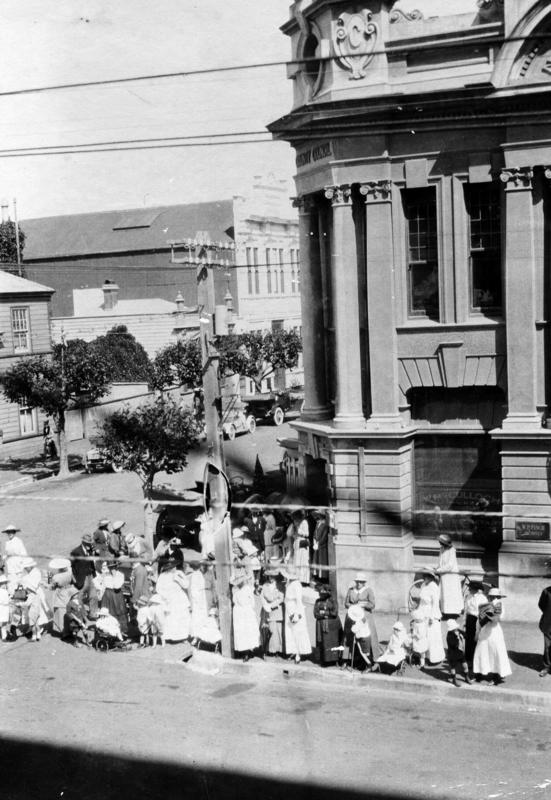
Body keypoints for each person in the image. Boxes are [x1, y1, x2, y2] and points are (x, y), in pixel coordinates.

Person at [473, 587, 512, 685]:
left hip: (495, 631)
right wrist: (477, 632)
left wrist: (494, 616)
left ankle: (496, 677)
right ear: (489, 597)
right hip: (485, 630)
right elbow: (479, 619)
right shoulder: (484, 605)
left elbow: (501, 618)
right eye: (492, 597)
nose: (494, 599)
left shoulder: (500, 605)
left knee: (496, 652)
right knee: (481, 651)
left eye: (496, 597)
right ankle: (479, 674)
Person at [343, 572, 381, 663]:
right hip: (352, 616)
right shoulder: (351, 590)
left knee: (366, 637)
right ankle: (346, 659)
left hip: (365, 617)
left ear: (364, 582)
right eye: (357, 582)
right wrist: (353, 606)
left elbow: (372, 605)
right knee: (347, 637)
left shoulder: (368, 590)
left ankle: (370, 660)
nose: (359, 584)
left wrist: (363, 605)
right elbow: (346, 603)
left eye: (361, 582)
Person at [155, 559, 191, 642]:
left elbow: (186, 585)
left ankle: (183, 637)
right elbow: (158, 588)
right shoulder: (162, 576)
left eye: (175, 566)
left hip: (179, 599)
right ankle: (170, 637)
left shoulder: (178, 573)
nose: (174, 568)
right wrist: (165, 596)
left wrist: (178, 579)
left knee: (181, 617)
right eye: (172, 567)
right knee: (170, 618)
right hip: (168, 599)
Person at [417, 567, 445, 666]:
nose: (425, 578)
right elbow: (421, 601)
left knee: (432, 635)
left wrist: (432, 617)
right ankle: (424, 657)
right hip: (423, 611)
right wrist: (418, 613)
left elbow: (435, 604)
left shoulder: (434, 587)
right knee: (423, 635)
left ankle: (435, 658)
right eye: (424, 576)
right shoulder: (423, 585)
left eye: (427, 576)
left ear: (431, 577)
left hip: (431, 612)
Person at [283, 567, 312, 663]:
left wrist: (297, 614)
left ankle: (298, 653)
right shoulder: (289, 583)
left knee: (297, 632)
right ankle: (293, 650)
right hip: (289, 609)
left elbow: (299, 601)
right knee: (290, 631)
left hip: (295, 609)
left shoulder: (297, 585)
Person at [70, 533, 99, 619]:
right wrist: (74, 579)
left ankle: (93, 614)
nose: (89, 544)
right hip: (80, 578)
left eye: (90, 542)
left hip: (89, 576)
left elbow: (92, 561)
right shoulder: (75, 552)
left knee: (93, 596)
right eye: (87, 543)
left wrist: (94, 573)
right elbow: (71, 566)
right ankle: (82, 615)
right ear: (83, 542)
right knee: (79, 598)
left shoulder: (90, 549)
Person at [231, 574, 260, 661]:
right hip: (238, 613)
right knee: (240, 633)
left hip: (246, 612)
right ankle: (243, 651)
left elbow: (252, 602)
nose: (239, 584)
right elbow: (234, 601)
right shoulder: (234, 590)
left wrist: (248, 610)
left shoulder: (247, 589)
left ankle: (248, 652)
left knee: (247, 632)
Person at [313, 583, 342, 666]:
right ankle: (324, 660)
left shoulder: (333, 601)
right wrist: (326, 614)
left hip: (331, 625)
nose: (321, 594)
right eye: (320, 593)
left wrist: (323, 613)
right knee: (322, 642)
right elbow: (315, 614)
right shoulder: (317, 601)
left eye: (323, 593)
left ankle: (334, 660)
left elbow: (334, 613)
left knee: (333, 642)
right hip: (320, 625)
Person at [435, 534, 463, 618]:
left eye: (441, 542)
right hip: (444, 576)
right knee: (444, 594)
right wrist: (437, 569)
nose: (440, 543)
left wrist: (439, 570)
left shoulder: (452, 550)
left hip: (451, 576)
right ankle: (445, 612)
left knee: (451, 594)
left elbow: (450, 565)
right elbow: (440, 561)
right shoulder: (441, 549)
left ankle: (453, 613)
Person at [22, 558, 49, 641]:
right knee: (31, 613)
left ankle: (40, 628)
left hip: (36, 594)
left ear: (30, 566)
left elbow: (33, 586)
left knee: (39, 612)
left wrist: (25, 586)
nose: (25, 568)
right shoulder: (28, 573)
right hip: (30, 595)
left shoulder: (36, 572)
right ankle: (33, 629)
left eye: (27, 567)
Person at [189, 562, 215, 647]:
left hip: (208, 595)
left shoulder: (210, 573)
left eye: (206, 566)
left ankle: (207, 638)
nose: (204, 567)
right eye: (202, 566)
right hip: (198, 598)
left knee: (208, 618)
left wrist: (213, 598)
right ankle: (196, 637)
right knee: (197, 618)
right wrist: (195, 600)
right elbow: (193, 588)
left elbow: (213, 586)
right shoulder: (195, 575)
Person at [48, 557, 76, 635]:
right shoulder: (70, 572)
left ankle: (63, 630)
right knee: (69, 609)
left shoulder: (56, 577)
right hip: (69, 591)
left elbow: (52, 587)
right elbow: (74, 581)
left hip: (61, 593)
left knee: (61, 611)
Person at [464, 576, 488, 665]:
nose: (469, 589)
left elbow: (483, 612)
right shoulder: (468, 596)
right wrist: (464, 621)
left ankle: (476, 658)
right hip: (469, 618)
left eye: (471, 588)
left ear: (476, 589)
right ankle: (468, 657)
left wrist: (481, 623)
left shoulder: (482, 598)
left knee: (476, 638)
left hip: (477, 619)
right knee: (468, 638)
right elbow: (466, 609)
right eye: (469, 588)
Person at [260, 570, 284, 656]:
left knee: (278, 631)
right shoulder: (265, 586)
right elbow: (262, 597)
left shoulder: (280, 585)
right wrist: (266, 605)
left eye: (273, 577)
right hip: (268, 610)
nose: (271, 578)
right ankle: (270, 650)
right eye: (270, 576)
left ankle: (279, 650)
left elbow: (281, 598)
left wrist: (272, 605)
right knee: (270, 630)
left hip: (277, 610)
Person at [101, 560, 129, 636]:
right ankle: (109, 631)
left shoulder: (120, 575)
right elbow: (104, 586)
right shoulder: (106, 575)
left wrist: (114, 576)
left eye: (113, 567)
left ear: (116, 567)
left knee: (118, 611)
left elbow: (116, 586)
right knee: (108, 613)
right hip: (107, 595)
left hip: (117, 595)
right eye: (110, 568)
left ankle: (121, 631)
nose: (112, 569)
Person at [446, 619, 472, 687]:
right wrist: (457, 637)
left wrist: (463, 634)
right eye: (455, 628)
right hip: (453, 654)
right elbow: (454, 645)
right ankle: (454, 679)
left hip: (460, 652)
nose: (456, 629)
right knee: (453, 667)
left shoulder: (458, 631)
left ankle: (466, 677)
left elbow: (466, 635)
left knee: (465, 665)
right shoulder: (449, 636)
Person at [2, 524, 27, 592]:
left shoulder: (18, 541)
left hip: (18, 563)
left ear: (14, 532)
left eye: (11, 532)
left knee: (19, 580)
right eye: (8, 532)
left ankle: (20, 595)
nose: (10, 533)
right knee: (11, 581)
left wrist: (23, 563)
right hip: (10, 564)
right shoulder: (7, 543)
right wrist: (4, 557)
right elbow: (7, 554)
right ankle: (11, 595)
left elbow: (23, 553)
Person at [290, 510, 310, 584]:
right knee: (297, 561)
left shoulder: (304, 522)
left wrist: (299, 531)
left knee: (303, 561)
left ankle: (303, 579)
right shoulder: (295, 523)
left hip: (302, 543)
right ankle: (297, 578)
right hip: (297, 542)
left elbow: (307, 534)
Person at [538, 567, 551, 678]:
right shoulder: (546, 591)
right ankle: (547, 666)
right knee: (547, 646)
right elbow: (541, 605)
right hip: (548, 623)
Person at [311, 510, 329, 581]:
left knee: (322, 561)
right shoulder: (317, 523)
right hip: (317, 544)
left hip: (322, 546)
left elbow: (324, 536)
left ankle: (323, 577)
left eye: (318, 515)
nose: (317, 517)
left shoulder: (325, 524)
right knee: (316, 560)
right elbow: (314, 534)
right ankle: (318, 575)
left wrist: (319, 543)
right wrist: (314, 542)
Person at [0, 574, 10, 640]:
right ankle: (4, 636)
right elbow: (2, 601)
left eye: (5, 583)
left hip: (5, 609)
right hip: (2, 608)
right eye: (3, 583)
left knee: (4, 623)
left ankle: (4, 636)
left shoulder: (5, 591)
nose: (5, 585)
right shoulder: (1, 591)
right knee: (3, 623)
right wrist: (8, 600)